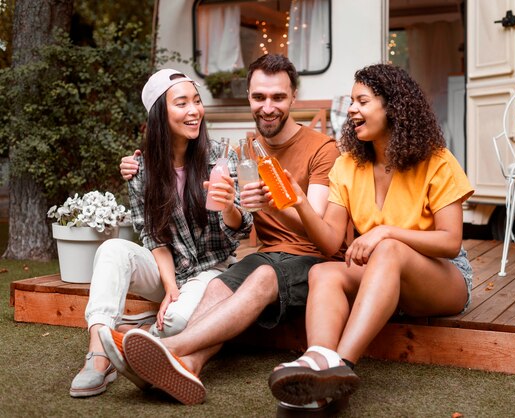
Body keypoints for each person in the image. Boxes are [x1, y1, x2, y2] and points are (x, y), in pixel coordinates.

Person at [110, 54, 342, 406]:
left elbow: (322, 236)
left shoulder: (322, 150)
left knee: (262, 277)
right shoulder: (247, 150)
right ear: (248, 96)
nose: (267, 107)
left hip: (310, 261)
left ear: (294, 96)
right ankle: (187, 366)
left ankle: (167, 348)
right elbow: (224, 202)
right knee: (219, 287)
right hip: (266, 255)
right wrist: (137, 163)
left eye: (278, 97)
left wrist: (278, 201)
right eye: (258, 97)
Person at [267, 64, 474, 412]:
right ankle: (318, 358)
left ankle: (340, 368)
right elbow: (331, 242)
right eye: (351, 101)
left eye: (361, 101)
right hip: (383, 278)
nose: (350, 109)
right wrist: (299, 203)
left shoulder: (437, 161)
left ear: (392, 106)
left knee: (390, 248)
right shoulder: (348, 165)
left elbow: (450, 241)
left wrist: (385, 232)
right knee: (324, 272)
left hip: (442, 277)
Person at [69, 69, 253, 398]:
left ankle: (138, 330)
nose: (194, 110)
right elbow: (153, 237)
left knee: (176, 324)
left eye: (197, 101)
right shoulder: (142, 170)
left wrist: (229, 207)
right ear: (159, 114)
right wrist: (169, 288)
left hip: (210, 271)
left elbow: (237, 233)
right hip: (167, 269)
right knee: (112, 250)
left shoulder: (221, 157)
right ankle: (98, 353)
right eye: (181, 103)